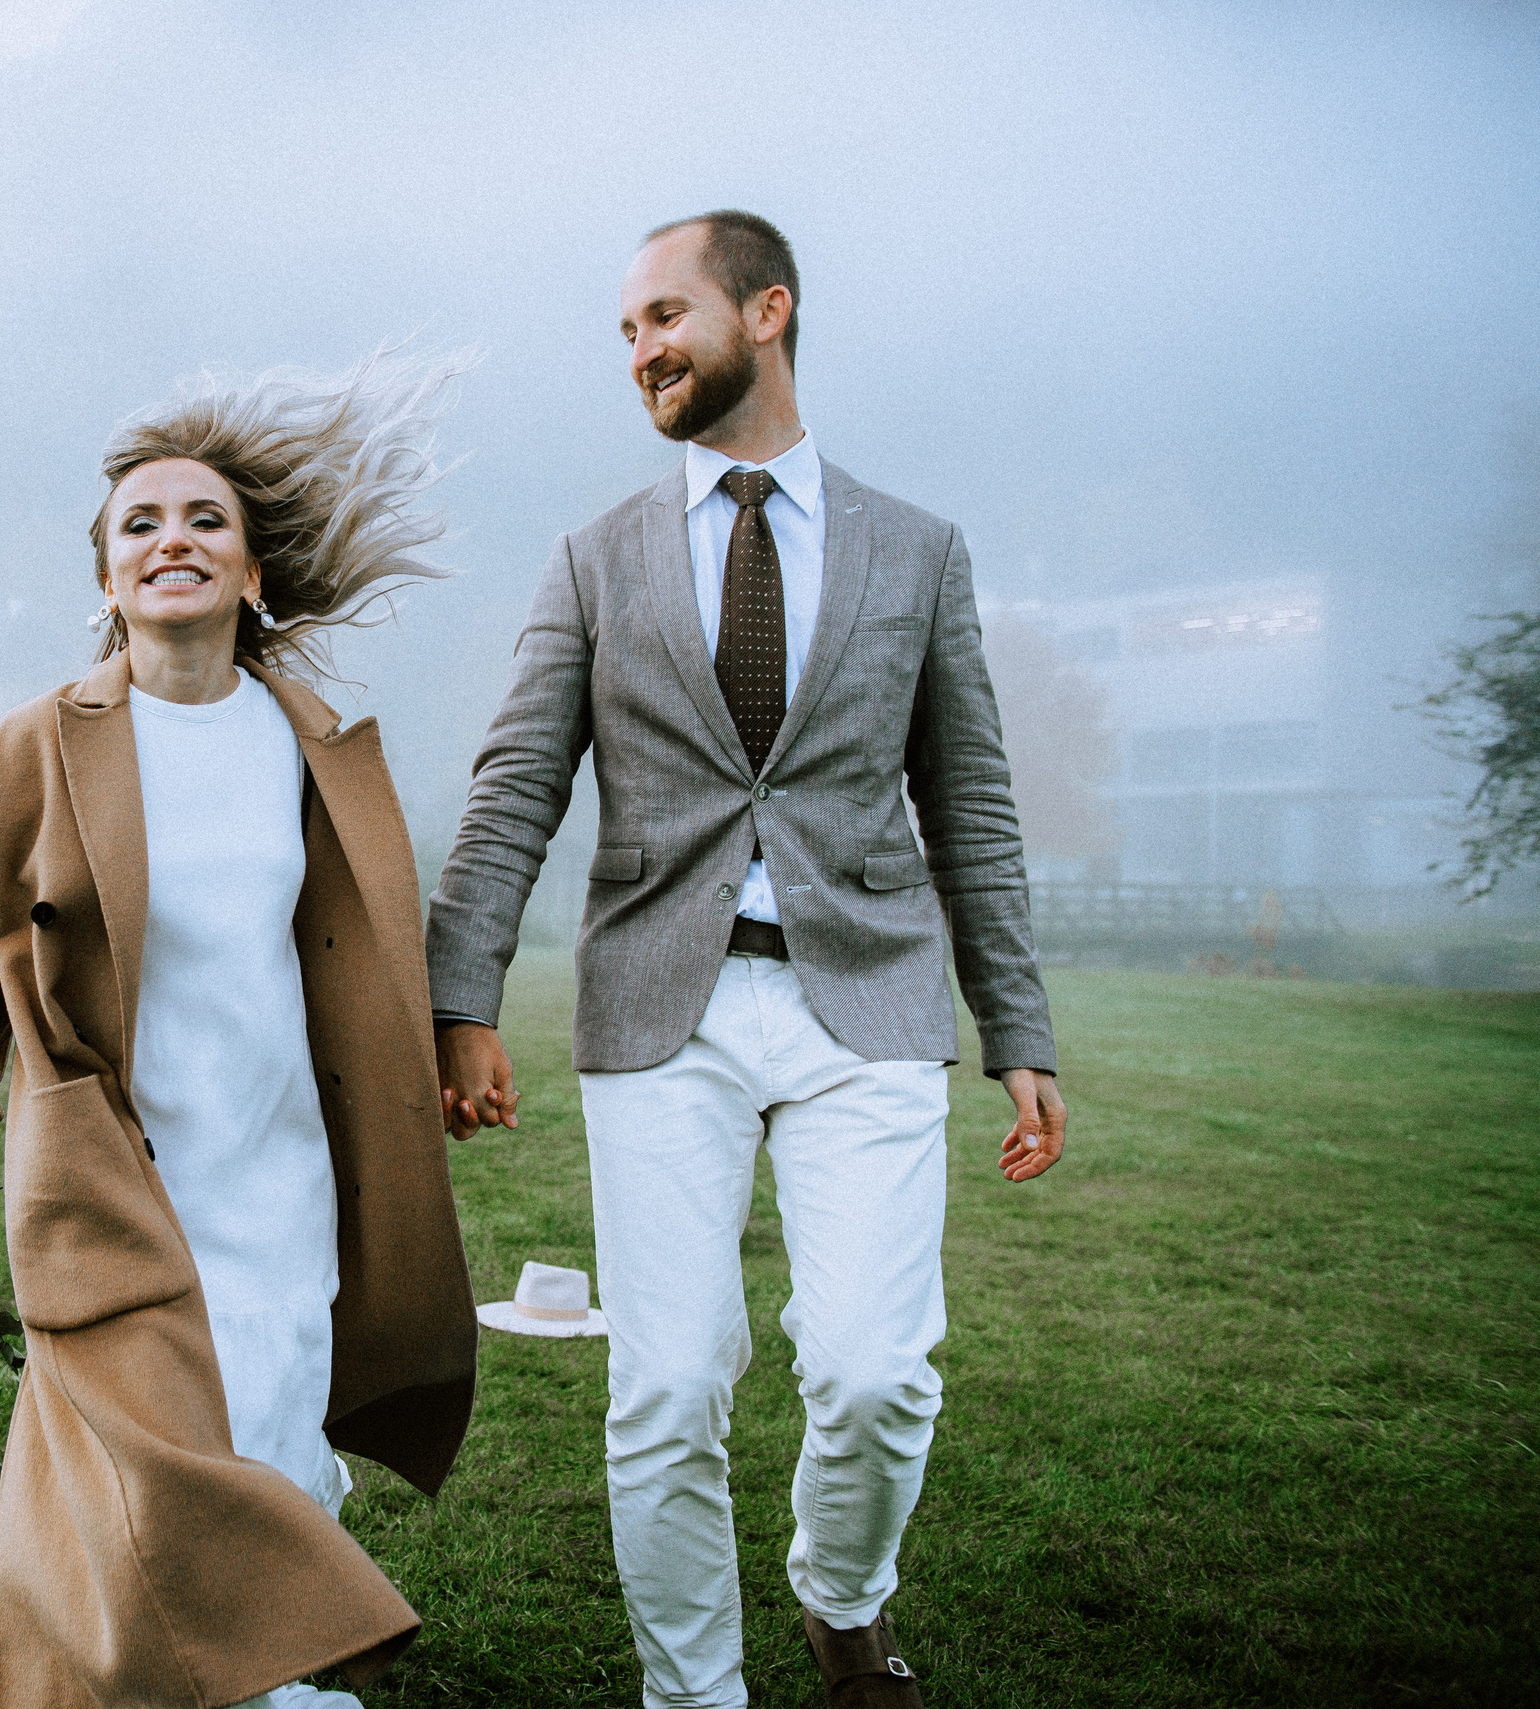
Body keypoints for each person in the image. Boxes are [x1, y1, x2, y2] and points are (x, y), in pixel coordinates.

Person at [425, 212, 1069, 1709]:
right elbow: (516, 782)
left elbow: (970, 799)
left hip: (875, 996)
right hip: (661, 1006)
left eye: (665, 316)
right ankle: (692, 1695)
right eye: (627, 333)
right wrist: (463, 999)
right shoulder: (596, 560)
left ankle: (845, 1610)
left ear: (766, 311)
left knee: (872, 1368)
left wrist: (1014, 1023)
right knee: (668, 1379)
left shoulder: (919, 549)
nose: (641, 351)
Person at [0, 356, 480, 1709]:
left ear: (255, 571)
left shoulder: (312, 743)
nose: (174, 540)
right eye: (140, 525)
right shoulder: (30, 749)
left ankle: (271, 1681)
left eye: (206, 520)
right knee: (143, 1487)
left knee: (269, 1446)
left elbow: (365, 952)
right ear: (106, 581)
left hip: (279, 1173)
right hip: (115, 1179)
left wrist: (441, 1056)